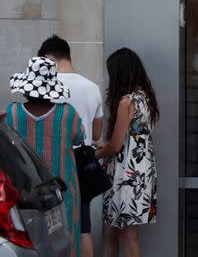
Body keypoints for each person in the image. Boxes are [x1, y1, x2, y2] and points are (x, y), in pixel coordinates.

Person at [6, 57, 83, 256]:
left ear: (26, 88)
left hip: (25, 191)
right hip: (62, 190)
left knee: (30, 244)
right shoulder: (68, 114)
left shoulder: (12, 112)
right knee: (65, 242)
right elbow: (79, 138)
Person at [38, 35, 104, 257]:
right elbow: (96, 134)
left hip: (49, 162)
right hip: (81, 163)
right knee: (83, 226)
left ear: (47, 58)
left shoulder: (46, 87)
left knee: (48, 228)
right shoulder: (92, 88)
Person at [94, 48, 159, 257]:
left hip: (126, 175)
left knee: (123, 234)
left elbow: (115, 145)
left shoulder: (127, 102)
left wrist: (92, 155)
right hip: (141, 173)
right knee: (117, 231)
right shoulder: (146, 98)